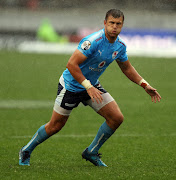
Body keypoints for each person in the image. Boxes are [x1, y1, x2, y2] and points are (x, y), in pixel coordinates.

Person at [19, 9, 161, 167]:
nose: (114, 27)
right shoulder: (93, 41)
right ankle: (26, 150)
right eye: (112, 23)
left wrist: (144, 84)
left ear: (122, 25)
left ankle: (91, 152)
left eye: (118, 24)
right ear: (105, 23)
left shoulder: (120, 46)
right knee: (55, 126)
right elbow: (71, 64)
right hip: (71, 87)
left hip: (91, 85)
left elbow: (127, 68)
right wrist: (88, 86)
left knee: (116, 118)